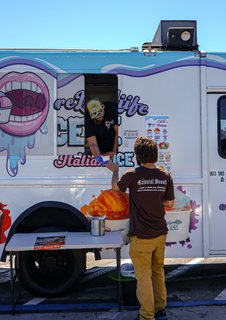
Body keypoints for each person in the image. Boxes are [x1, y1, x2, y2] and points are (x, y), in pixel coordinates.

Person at [111, 136, 174, 320]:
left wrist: (115, 170)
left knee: (143, 276)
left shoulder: (132, 174)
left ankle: (146, 316)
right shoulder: (165, 175)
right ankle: (161, 308)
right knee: (158, 271)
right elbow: (169, 202)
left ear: (138, 155)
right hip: (160, 233)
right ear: (155, 154)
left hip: (141, 236)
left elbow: (116, 188)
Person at [84, 98, 118, 171]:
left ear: (103, 107)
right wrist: (101, 160)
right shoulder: (87, 119)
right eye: (96, 117)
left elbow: (118, 133)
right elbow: (92, 143)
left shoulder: (112, 108)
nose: (100, 118)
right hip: (100, 148)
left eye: (101, 115)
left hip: (115, 145)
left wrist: (114, 151)